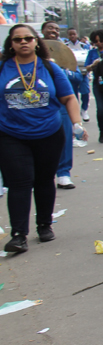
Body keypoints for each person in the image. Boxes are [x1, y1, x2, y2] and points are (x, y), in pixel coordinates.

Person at [0, 25, 87, 254]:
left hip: (48, 133)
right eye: (17, 39)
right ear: (11, 44)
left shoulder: (50, 67)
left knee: (44, 180)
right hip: (11, 134)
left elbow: (68, 97)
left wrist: (77, 124)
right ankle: (19, 235)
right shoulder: (2, 68)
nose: (23, 42)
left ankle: (44, 225)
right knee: (19, 183)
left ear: (36, 42)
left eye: (28, 38)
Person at [41, 22, 81, 189]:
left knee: (64, 138)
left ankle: (64, 173)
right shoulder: (33, 51)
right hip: (39, 103)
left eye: (57, 29)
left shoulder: (65, 52)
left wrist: (60, 70)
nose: (54, 31)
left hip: (62, 102)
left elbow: (78, 78)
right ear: (42, 31)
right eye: (50, 28)